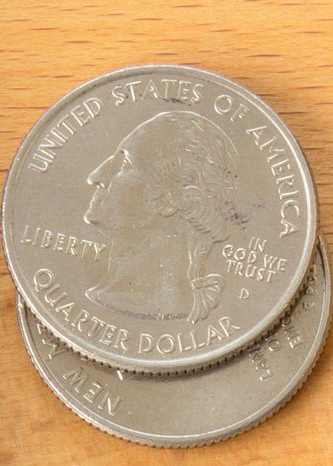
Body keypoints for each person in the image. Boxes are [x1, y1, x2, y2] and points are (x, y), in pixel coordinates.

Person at [82, 110, 247, 324]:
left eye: (125, 165)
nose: (95, 176)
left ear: (173, 198)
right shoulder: (108, 296)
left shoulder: (158, 307)